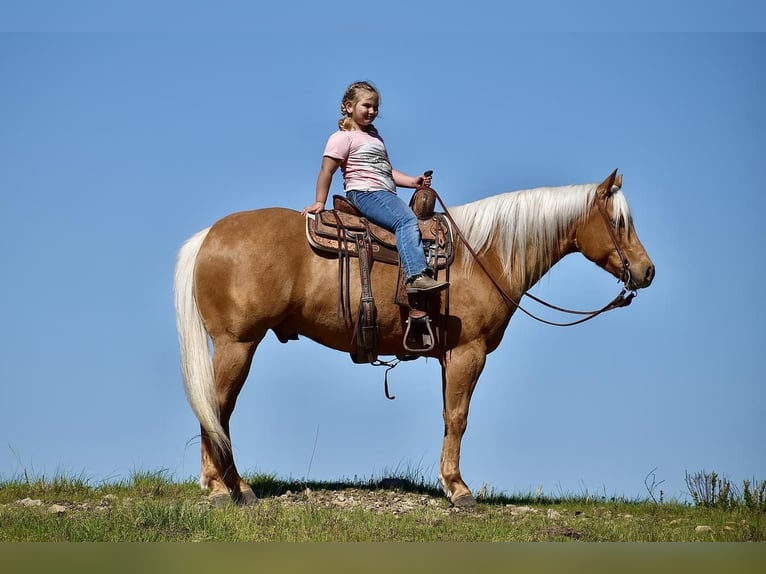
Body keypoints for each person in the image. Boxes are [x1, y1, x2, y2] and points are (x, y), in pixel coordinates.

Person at [301, 81, 448, 294]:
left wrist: (412, 182)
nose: (372, 111)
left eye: (376, 107)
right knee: (406, 221)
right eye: (367, 105)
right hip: (365, 192)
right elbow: (326, 170)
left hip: (383, 192)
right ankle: (415, 275)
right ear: (349, 106)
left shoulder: (375, 138)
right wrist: (319, 202)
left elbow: (386, 171)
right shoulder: (343, 137)